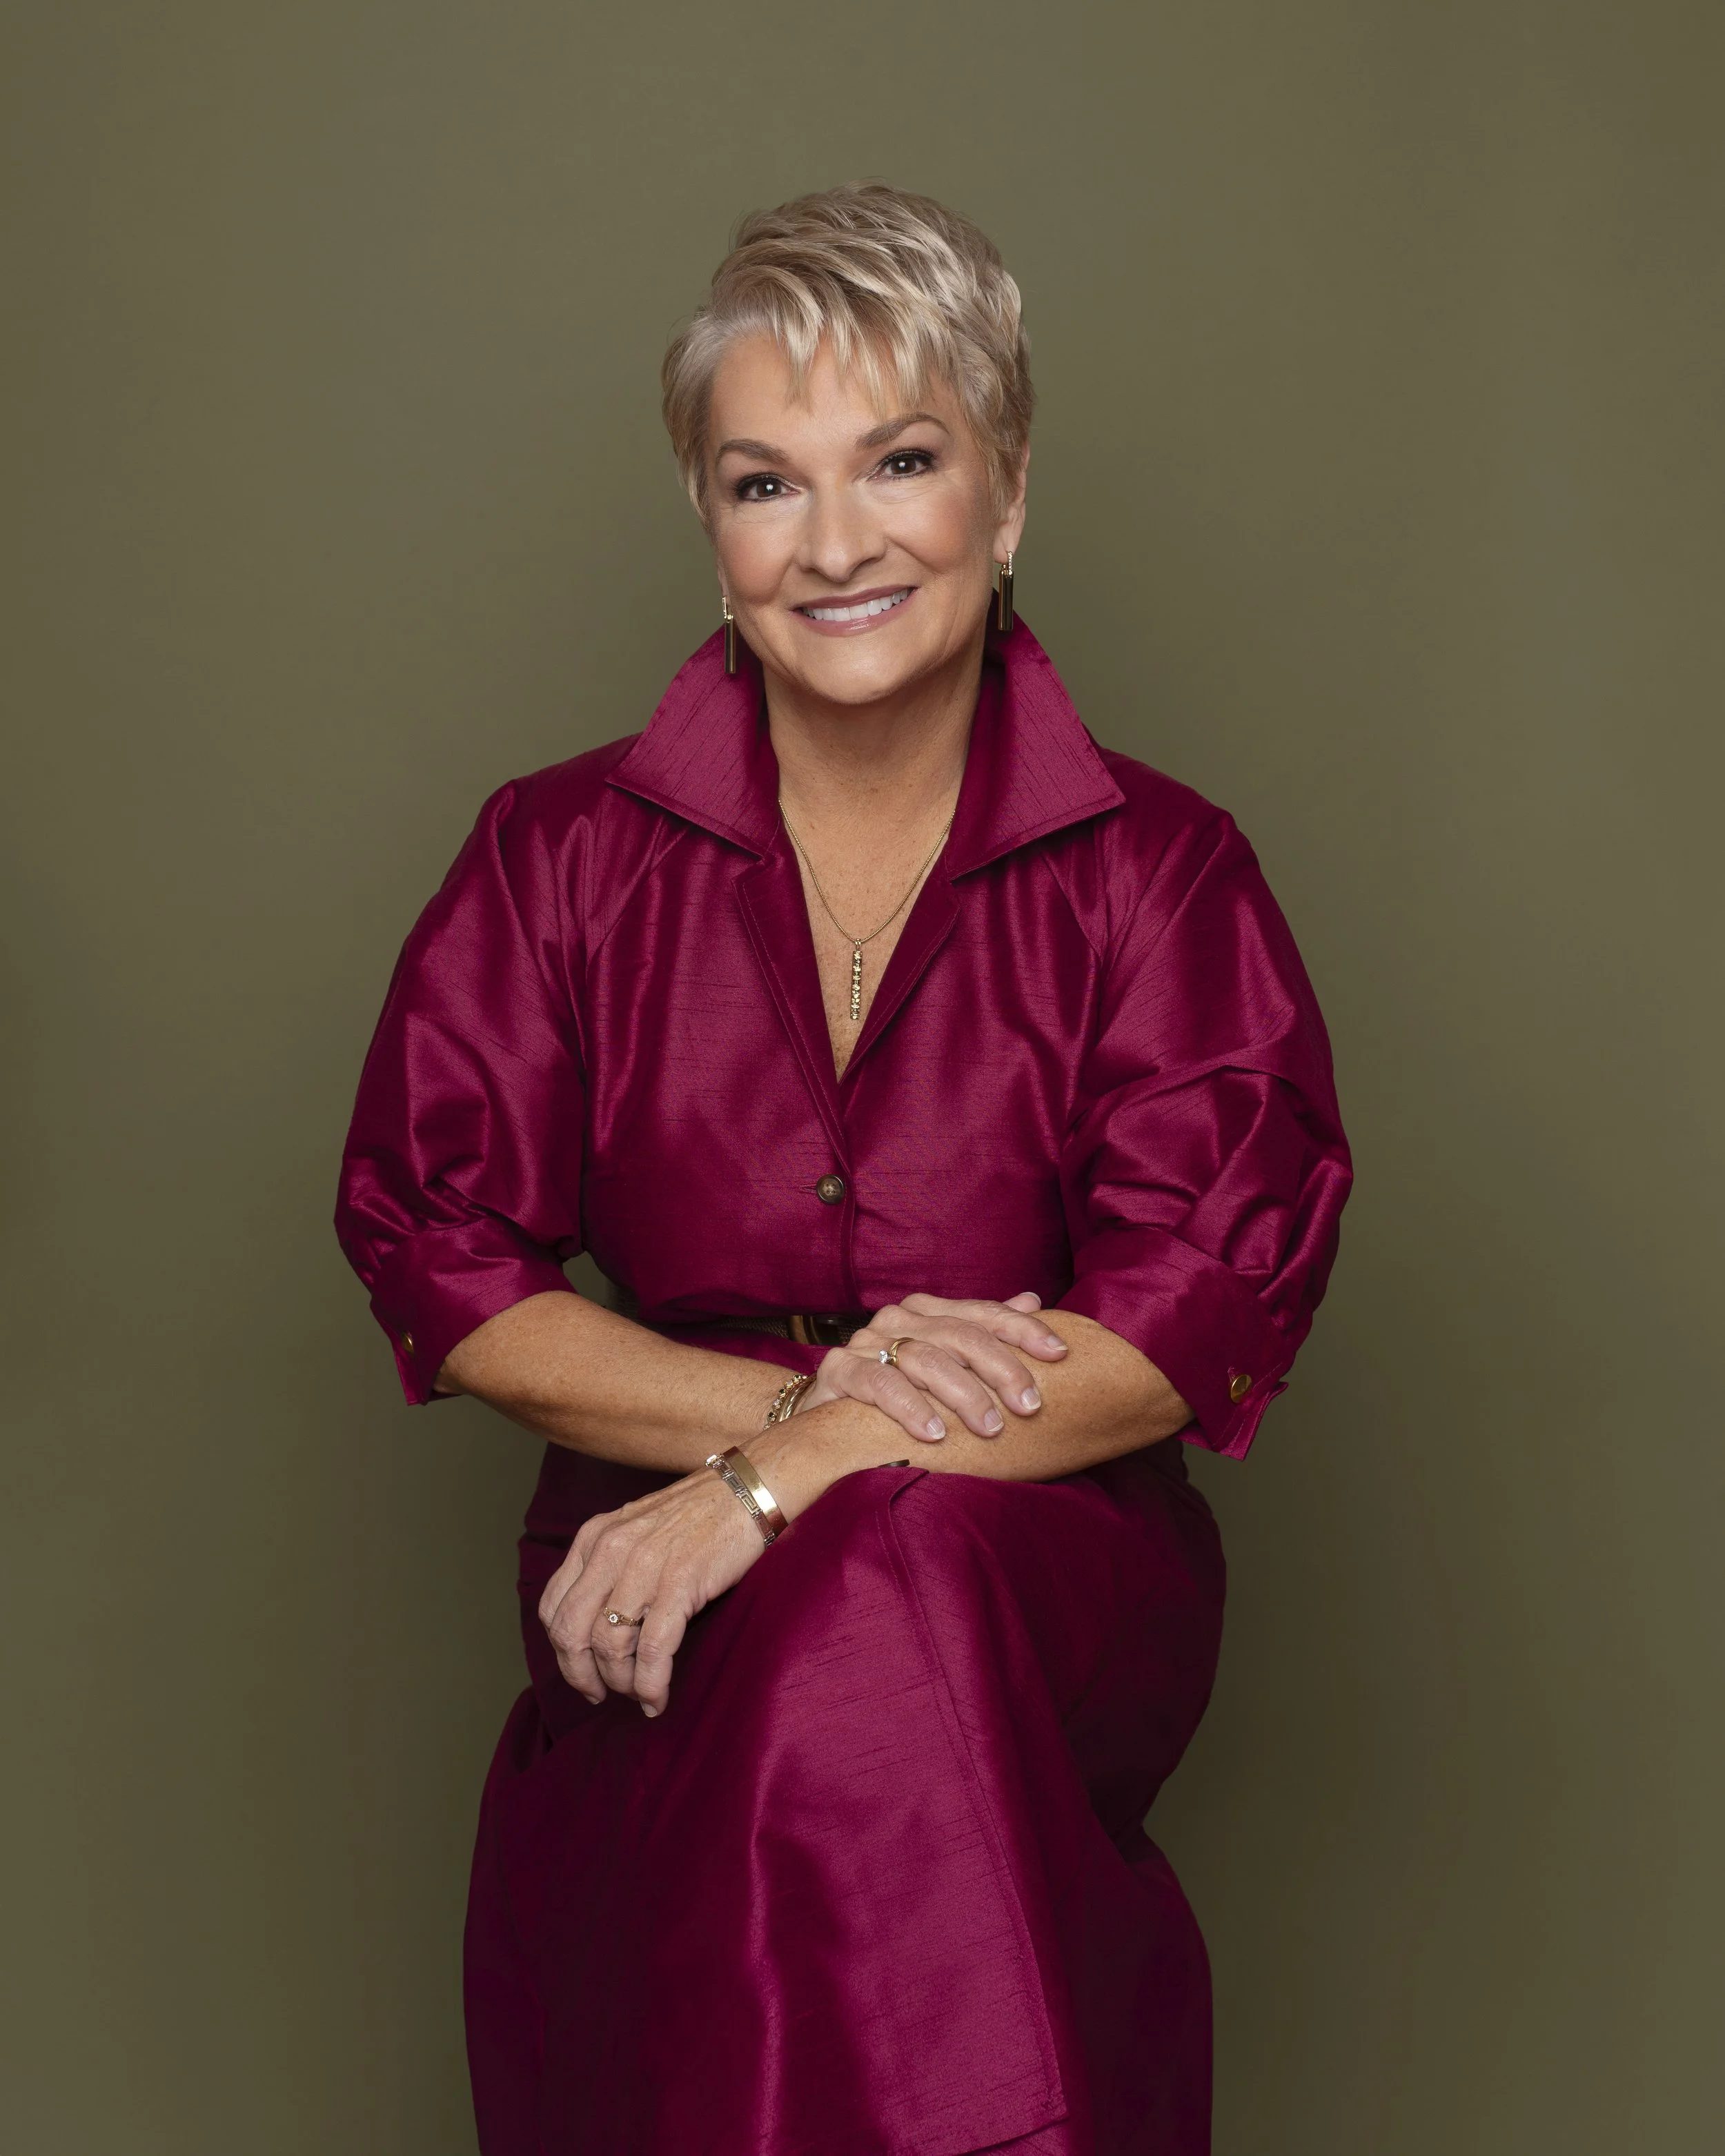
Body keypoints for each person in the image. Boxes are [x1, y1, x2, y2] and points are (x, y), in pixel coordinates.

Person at [337, 181, 1350, 2156]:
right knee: (847, 1637)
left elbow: (1177, 1320)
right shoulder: (555, 856)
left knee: (888, 1582)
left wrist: (783, 1477)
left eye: (900, 460)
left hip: (1046, 1551)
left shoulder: (1163, 871)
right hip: (645, 1557)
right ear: (706, 529)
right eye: (761, 481)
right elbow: (437, 1253)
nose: (836, 541)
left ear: (1009, 489)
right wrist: (792, 1417)